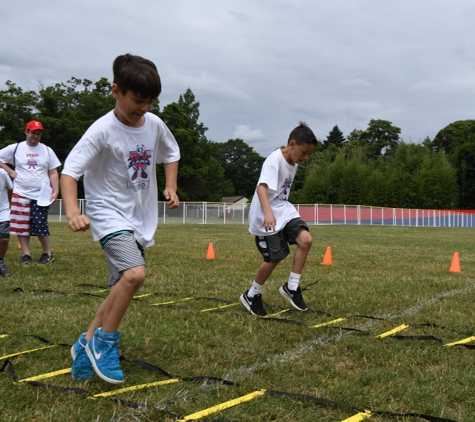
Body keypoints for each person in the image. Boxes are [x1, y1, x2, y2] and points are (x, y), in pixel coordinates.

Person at [61, 53, 180, 384]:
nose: (144, 108)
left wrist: (170, 186)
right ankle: (105, 343)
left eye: (150, 102)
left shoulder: (154, 125)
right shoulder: (102, 130)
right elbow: (69, 173)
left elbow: (171, 153)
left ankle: (85, 345)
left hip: (138, 218)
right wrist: (72, 211)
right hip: (107, 213)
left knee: (118, 289)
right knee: (134, 275)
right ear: (116, 91)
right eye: (137, 101)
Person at [240, 122, 318, 316]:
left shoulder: (294, 162)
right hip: (266, 213)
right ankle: (251, 295)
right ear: (292, 144)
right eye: (304, 152)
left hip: (282, 208)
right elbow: (261, 187)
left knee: (306, 240)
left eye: (309, 154)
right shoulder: (274, 160)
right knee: (275, 257)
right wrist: (268, 213)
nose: (306, 158)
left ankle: (292, 287)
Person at [0, 120, 61, 265]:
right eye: (33, 132)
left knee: (40, 224)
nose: (35, 136)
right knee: (22, 225)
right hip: (20, 192)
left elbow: (53, 172)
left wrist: (56, 190)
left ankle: (47, 253)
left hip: (42, 194)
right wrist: (9, 171)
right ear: (26, 132)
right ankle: (26, 254)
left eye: (38, 134)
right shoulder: (16, 148)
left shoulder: (47, 150)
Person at [0, 168, 13, 276]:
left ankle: (1, 261)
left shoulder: (2, 173)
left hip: (3, 210)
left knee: (4, 238)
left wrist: (9, 205)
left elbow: (10, 188)